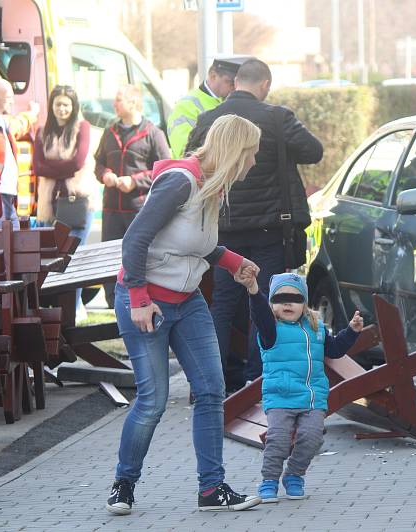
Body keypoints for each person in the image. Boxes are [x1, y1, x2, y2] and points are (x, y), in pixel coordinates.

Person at [106, 114, 263, 515]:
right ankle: (124, 484)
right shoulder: (181, 181)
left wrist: (233, 262)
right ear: (235, 151)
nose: (254, 164)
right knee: (153, 399)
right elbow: (135, 238)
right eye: (252, 155)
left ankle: (212, 490)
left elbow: (195, 244)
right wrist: (140, 299)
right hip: (146, 302)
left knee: (212, 390)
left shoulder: (213, 188)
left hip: (187, 300)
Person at [186, 58, 323, 386]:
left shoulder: (208, 119)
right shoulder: (278, 118)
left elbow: (193, 158)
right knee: (261, 300)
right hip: (270, 227)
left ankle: (212, 381)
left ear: (235, 83)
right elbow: (314, 152)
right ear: (265, 85)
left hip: (223, 228)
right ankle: (257, 380)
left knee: (223, 302)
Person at [234, 271, 363, 502]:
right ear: (272, 304)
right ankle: (269, 480)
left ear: (304, 303)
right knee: (278, 440)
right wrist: (254, 290)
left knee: (312, 437)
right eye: (280, 298)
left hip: (312, 397)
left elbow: (334, 350)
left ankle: (294, 474)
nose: (287, 303)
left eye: (294, 298)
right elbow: (260, 313)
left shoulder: (317, 328)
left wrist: (352, 332)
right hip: (280, 397)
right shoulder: (269, 330)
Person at [94, 84, 170, 307]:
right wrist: (105, 174)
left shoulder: (153, 133)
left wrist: (134, 181)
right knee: (109, 258)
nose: (114, 104)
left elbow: (164, 168)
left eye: (118, 99)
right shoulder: (110, 131)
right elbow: (98, 162)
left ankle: (139, 301)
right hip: (110, 209)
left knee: (137, 257)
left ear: (134, 103)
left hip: (139, 209)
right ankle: (112, 303)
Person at [31, 85, 95, 318]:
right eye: (58, 104)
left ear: (73, 106)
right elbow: (37, 166)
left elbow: (77, 162)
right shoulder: (41, 131)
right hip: (50, 202)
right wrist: (59, 170)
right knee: (52, 256)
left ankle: (76, 305)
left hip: (76, 201)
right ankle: (53, 306)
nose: (62, 108)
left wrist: (51, 169)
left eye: (66, 104)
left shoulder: (83, 128)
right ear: (52, 106)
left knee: (75, 255)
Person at [0, 79, 39, 228]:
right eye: (9, 98)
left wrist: (32, 114)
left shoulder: (0, 120)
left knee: (13, 240)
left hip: (7, 195)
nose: (12, 102)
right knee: (0, 242)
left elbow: (18, 124)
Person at [166, 56, 248, 159]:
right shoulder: (185, 106)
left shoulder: (232, 102)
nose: (235, 88)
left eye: (237, 83)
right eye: (230, 82)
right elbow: (186, 151)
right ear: (213, 76)